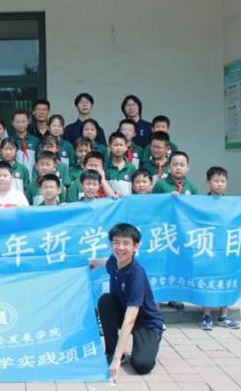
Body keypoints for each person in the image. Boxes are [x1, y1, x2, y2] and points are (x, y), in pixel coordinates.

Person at [90, 223, 164, 378]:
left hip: (145, 322)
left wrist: (116, 361)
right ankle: (112, 351)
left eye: (126, 243)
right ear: (111, 244)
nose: (120, 247)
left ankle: (149, 340)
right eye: (116, 243)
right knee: (105, 301)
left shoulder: (137, 275)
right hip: (124, 313)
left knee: (142, 365)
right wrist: (94, 262)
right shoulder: (114, 261)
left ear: (135, 246)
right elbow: (105, 262)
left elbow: (130, 319)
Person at [200, 166, 241, 331]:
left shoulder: (232, 204)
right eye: (216, 181)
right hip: (208, 246)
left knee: (225, 278)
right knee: (207, 278)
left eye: (223, 181)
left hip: (225, 247)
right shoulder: (200, 203)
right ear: (208, 182)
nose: (219, 184)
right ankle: (206, 314)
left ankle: (224, 314)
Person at [105, 132, 136, 196]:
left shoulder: (131, 167)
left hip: (127, 201)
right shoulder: (105, 166)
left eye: (121, 145)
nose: (118, 148)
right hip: (109, 201)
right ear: (109, 147)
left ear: (126, 147)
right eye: (115, 145)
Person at [12, 109, 39, 178]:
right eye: (17, 122)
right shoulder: (10, 141)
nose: (20, 124)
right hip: (15, 178)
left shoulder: (35, 140)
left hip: (33, 178)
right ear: (12, 122)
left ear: (28, 122)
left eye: (23, 121)